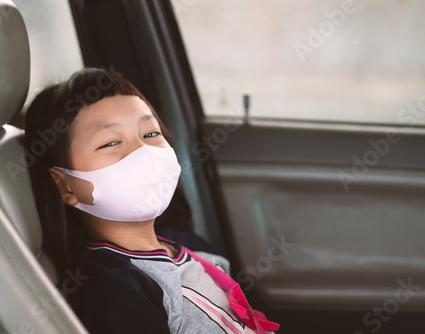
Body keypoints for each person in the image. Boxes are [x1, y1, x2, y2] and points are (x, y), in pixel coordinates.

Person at [24, 67, 279, 333]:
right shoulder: (117, 292)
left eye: (150, 134)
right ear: (65, 186)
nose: (143, 152)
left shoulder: (189, 245)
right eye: (111, 142)